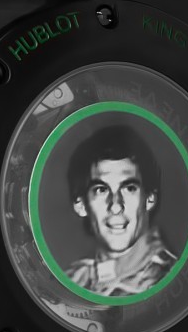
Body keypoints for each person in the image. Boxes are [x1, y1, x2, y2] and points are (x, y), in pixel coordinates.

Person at [65, 123, 176, 296]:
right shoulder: (71, 282)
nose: (116, 206)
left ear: (149, 198)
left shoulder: (171, 282)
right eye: (101, 190)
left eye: (129, 188)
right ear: (81, 205)